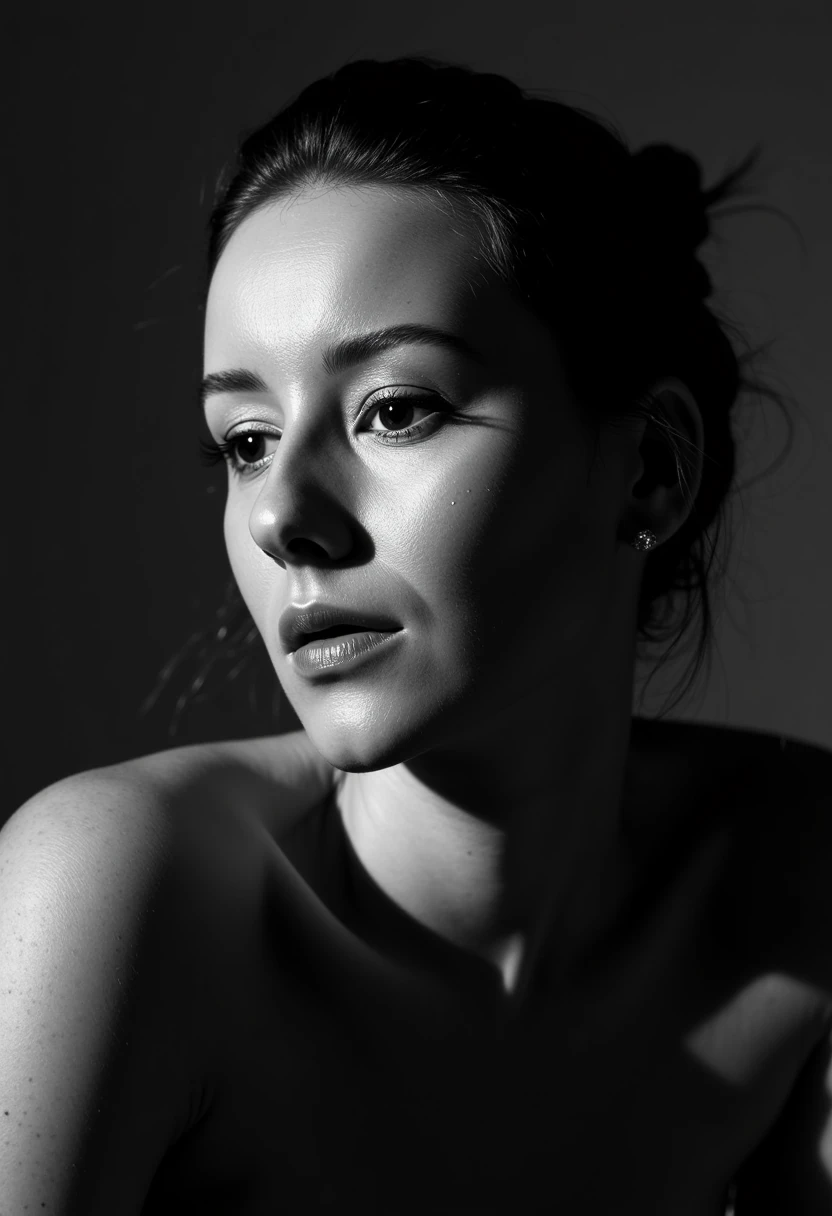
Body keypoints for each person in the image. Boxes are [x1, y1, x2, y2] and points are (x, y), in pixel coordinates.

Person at [2, 54, 830, 1215]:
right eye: (245, 440)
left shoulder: (799, 889)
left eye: (395, 410)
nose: (281, 514)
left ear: (649, 467)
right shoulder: (116, 895)